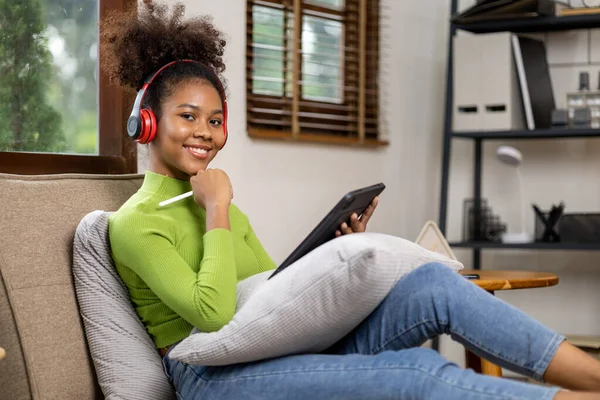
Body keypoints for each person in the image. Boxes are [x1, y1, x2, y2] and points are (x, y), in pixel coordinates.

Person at [103, 1, 600, 399]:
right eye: (187, 117)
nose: (204, 134)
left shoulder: (220, 205)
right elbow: (211, 315)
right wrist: (215, 209)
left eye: (214, 121)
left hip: (268, 354)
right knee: (417, 374)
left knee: (431, 284)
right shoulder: (135, 223)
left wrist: (331, 255)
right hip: (210, 379)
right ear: (146, 122)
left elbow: (271, 296)